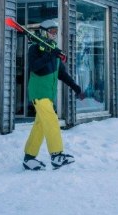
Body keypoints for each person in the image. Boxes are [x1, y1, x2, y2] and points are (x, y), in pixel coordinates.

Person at [23, 19, 85, 171]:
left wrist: (76, 88)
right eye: (51, 31)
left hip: (48, 95)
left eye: (56, 32)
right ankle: (57, 155)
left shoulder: (53, 50)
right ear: (44, 32)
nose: (54, 35)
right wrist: (50, 55)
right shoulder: (35, 49)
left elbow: (62, 74)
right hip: (39, 92)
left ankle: (29, 157)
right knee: (51, 121)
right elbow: (34, 67)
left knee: (41, 125)